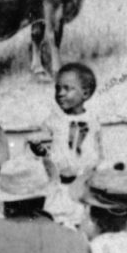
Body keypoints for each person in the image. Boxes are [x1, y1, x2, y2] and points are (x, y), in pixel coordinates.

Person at [35, 62, 104, 226]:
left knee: (82, 222)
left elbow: (98, 154)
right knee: (57, 219)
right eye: (57, 89)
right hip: (58, 185)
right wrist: (39, 150)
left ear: (85, 93)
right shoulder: (53, 122)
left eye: (67, 89)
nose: (60, 94)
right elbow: (45, 153)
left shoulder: (93, 122)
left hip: (83, 186)